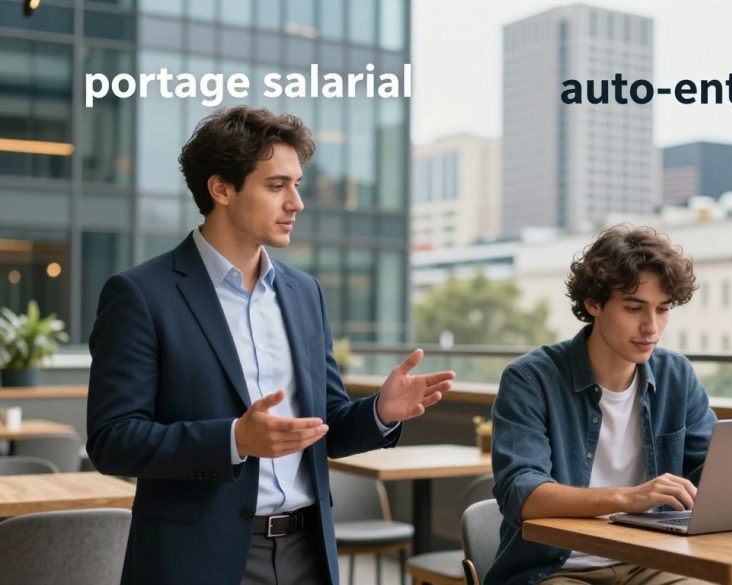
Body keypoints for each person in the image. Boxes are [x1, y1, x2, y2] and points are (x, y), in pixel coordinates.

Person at [86, 106, 455, 585]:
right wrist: (235, 440)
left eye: (297, 184)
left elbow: (326, 428)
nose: (296, 202)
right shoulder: (141, 294)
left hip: (309, 551)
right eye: (277, 186)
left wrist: (381, 412)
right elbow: (113, 441)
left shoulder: (305, 293)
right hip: (198, 559)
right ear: (221, 189)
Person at [488, 225, 718, 585]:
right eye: (634, 308)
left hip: (652, 561)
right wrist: (630, 498)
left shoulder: (676, 375)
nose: (651, 327)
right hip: (557, 570)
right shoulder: (530, 379)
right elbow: (523, 493)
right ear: (593, 304)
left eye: (662, 309)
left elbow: (712, 470)